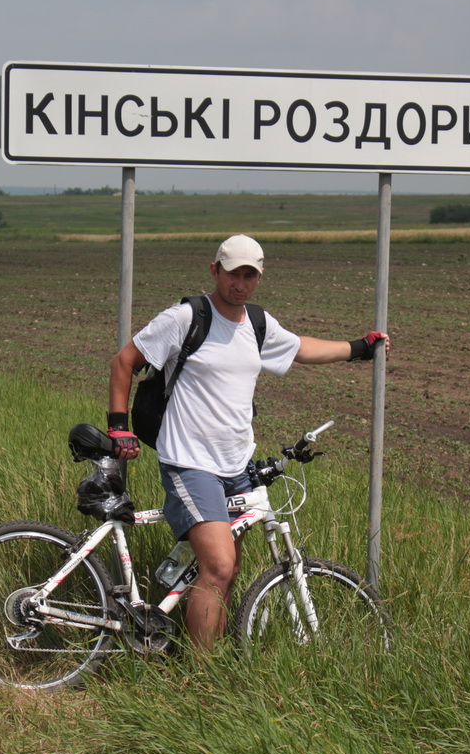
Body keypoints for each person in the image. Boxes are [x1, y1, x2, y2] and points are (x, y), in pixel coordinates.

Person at [107, 234, 387, 651]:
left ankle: (214, 659)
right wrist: (118, 426)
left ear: (259, 277)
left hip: (236, 466)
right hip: (190, 462)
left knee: (228, 571)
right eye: (233, 274)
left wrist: (360, 348)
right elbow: (125, 360)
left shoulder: (257, 323)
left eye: (249, 276)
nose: (240, 284)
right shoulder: (186, 318)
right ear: (215, 271)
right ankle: (202, 677)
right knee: (218, 567)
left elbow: (300, 348)